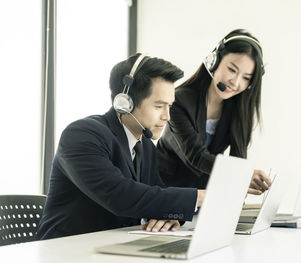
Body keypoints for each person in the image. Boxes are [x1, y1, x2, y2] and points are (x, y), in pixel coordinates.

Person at [37, 53, 205, 240]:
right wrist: (199, 197)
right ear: (125, 103)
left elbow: (156, 195)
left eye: (169, 106)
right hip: (65, 251)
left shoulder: (145, 146)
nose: (167, 116)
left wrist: (169, 217)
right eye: (159, 106)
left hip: (113, 247)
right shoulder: (82, 135)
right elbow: (119, 195)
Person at [157, 29, 271, 194]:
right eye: (232, 70)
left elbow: (237, 160)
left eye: (246, 78)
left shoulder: (238, 110)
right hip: (167, 194)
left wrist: (237, 195)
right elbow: (196, 156)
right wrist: (242, 174)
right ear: (214, 61)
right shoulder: (179, 101)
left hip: (205, 199)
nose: (236, 82)